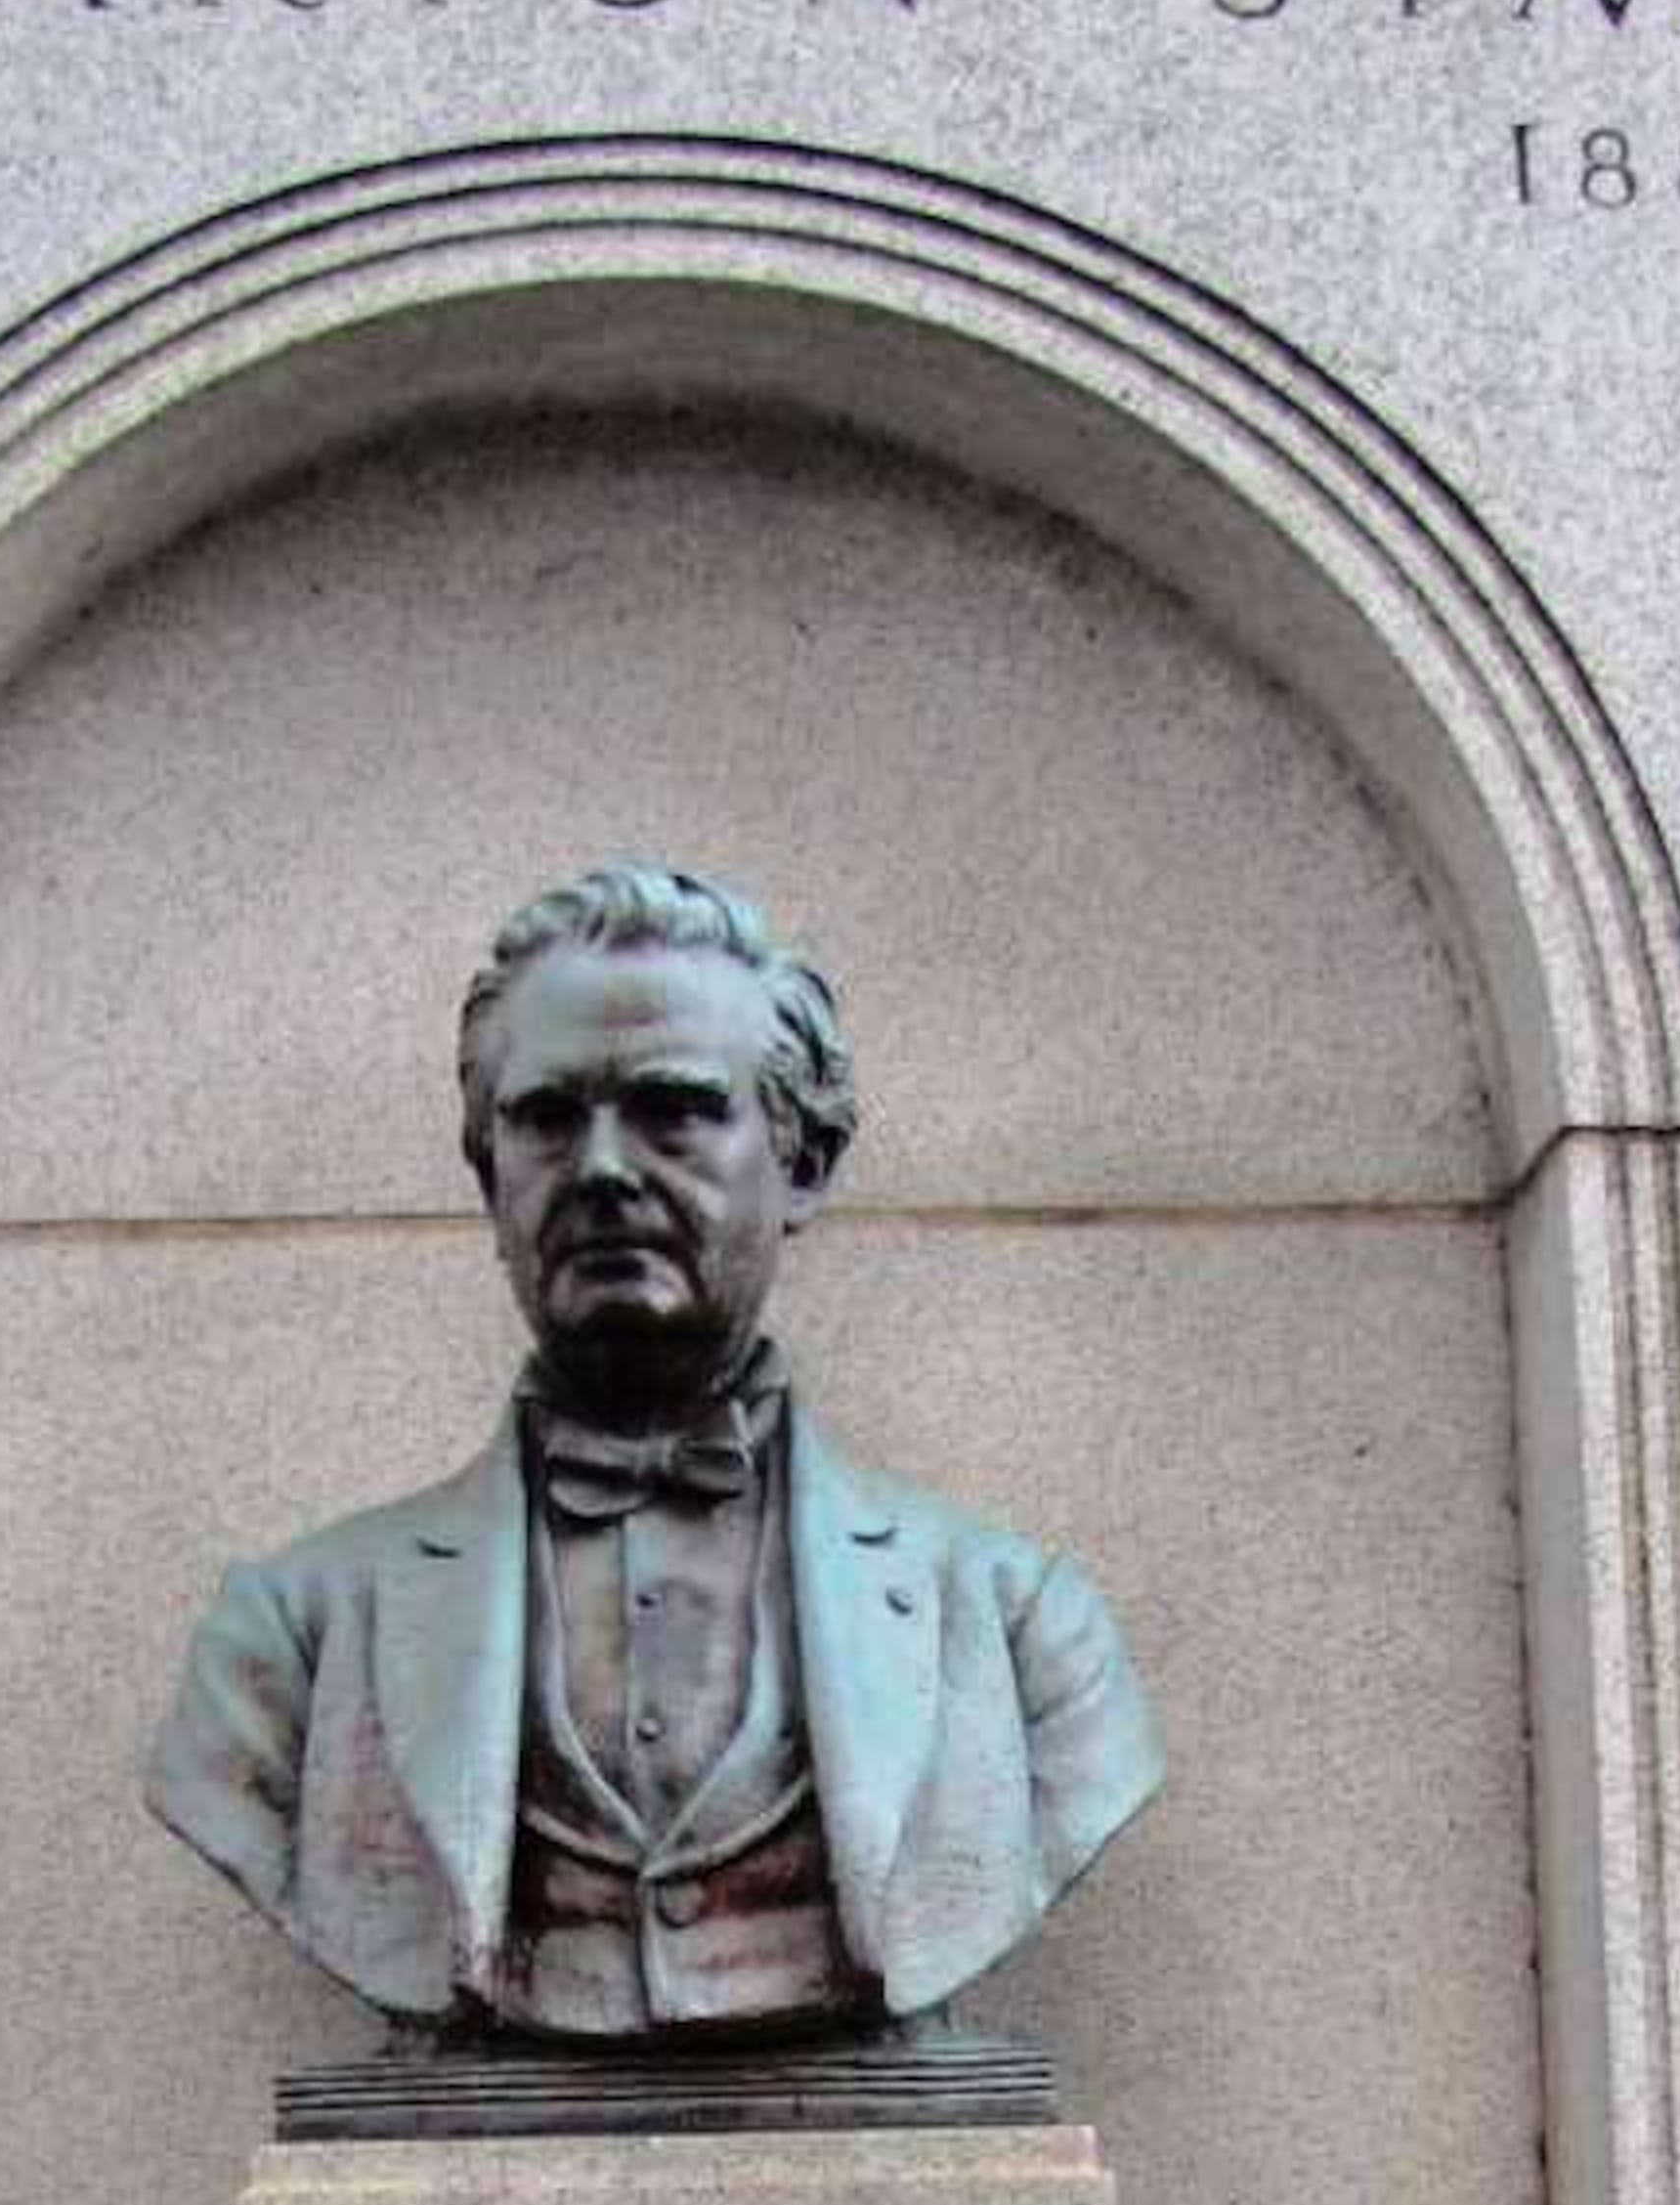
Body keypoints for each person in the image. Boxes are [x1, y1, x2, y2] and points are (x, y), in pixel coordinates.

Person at [144, 862, 1160, 2037]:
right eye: (546, 1117)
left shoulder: (1020, 1627)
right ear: (488, 1174)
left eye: (673, 1108)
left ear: (803, 1164)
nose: (603, 1168)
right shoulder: (288, 1641)